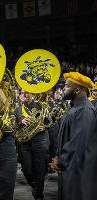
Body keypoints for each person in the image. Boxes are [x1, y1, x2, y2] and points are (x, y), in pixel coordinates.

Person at [50, 72, 97, 200]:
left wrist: (60, 160)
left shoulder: (85, 110)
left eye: (67, 86)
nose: (63, 89)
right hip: (70, 167)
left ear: (77, 89)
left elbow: (78, 143)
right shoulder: (75, 108)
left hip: (78, 171)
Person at [16, 89, 50, 200]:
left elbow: (50, 121)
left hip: (39, 140)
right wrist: (21, 122)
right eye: (22, 93)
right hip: (25, 142)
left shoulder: (41, 105)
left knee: (39, 169)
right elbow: (13, 124)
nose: (24, 94)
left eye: (27, 92)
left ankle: (39, 194)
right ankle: (34, 185)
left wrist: (45, 126)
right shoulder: (17, 108)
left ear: (32, 94)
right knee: (27, 169)